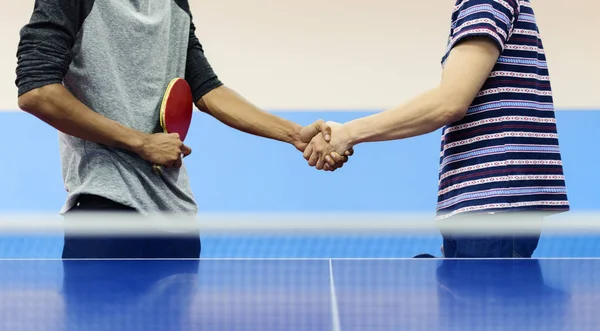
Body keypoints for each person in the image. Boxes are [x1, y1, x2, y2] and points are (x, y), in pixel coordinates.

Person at [15, 0, 349, 259]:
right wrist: (141, 143)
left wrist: (294, 134)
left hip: (177, 216)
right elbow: (37, 91)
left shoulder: (174, 3)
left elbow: (207, 89)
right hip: (106, 211)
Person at [306, 0, 570, 258]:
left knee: (486, 302)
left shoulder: (485, 2)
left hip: (492, 207)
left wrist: (347, 134)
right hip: (477, 206)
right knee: (463, 299)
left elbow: (450, 102)